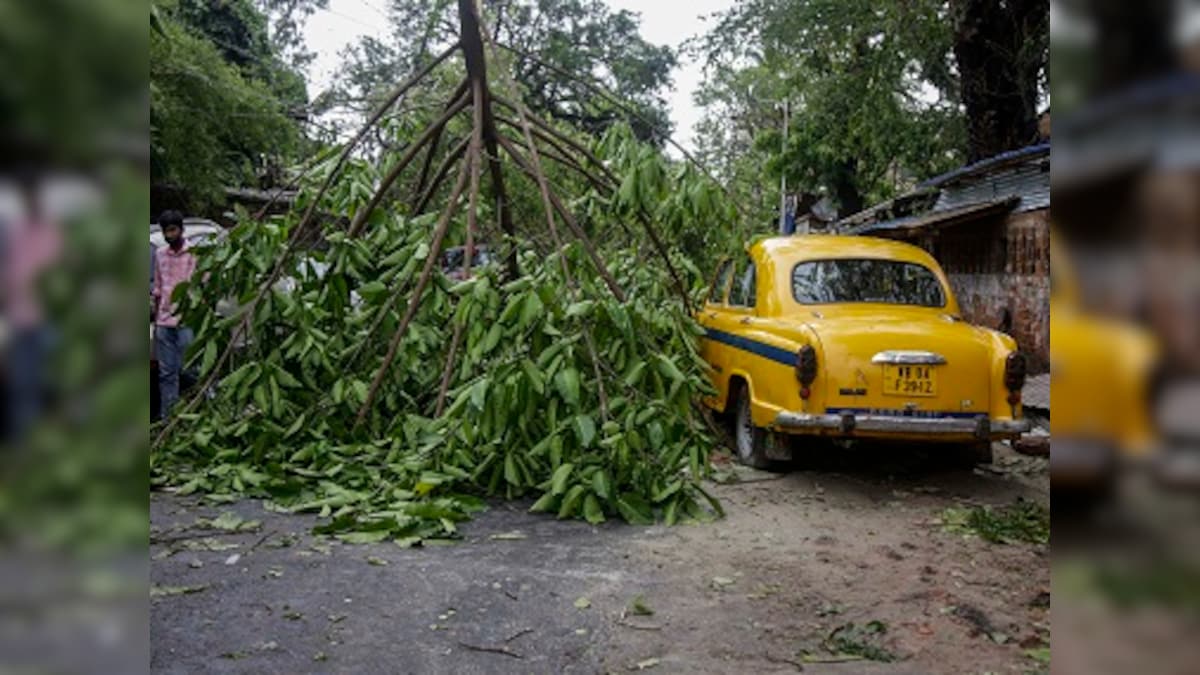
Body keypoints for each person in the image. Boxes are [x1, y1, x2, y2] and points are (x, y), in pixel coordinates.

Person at [2, 175, 62, 442]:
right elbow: (9, 273)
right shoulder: (15, 232)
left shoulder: (52, 233)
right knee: (24, 385)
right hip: (21, 318)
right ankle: (27, 446)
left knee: (53, 385)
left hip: (49, 319)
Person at [151, 210, 197, 421]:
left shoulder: (194, 253)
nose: (170, 235)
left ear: (181, 230)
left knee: (189, 370)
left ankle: (196, 414)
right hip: (164, 321)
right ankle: (168, 418)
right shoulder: (160, 254)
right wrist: (156, 310)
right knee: (167, 374)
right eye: (166, 231)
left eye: (173, 230)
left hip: (186, 319)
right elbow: (159, 287)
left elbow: (200, 285)